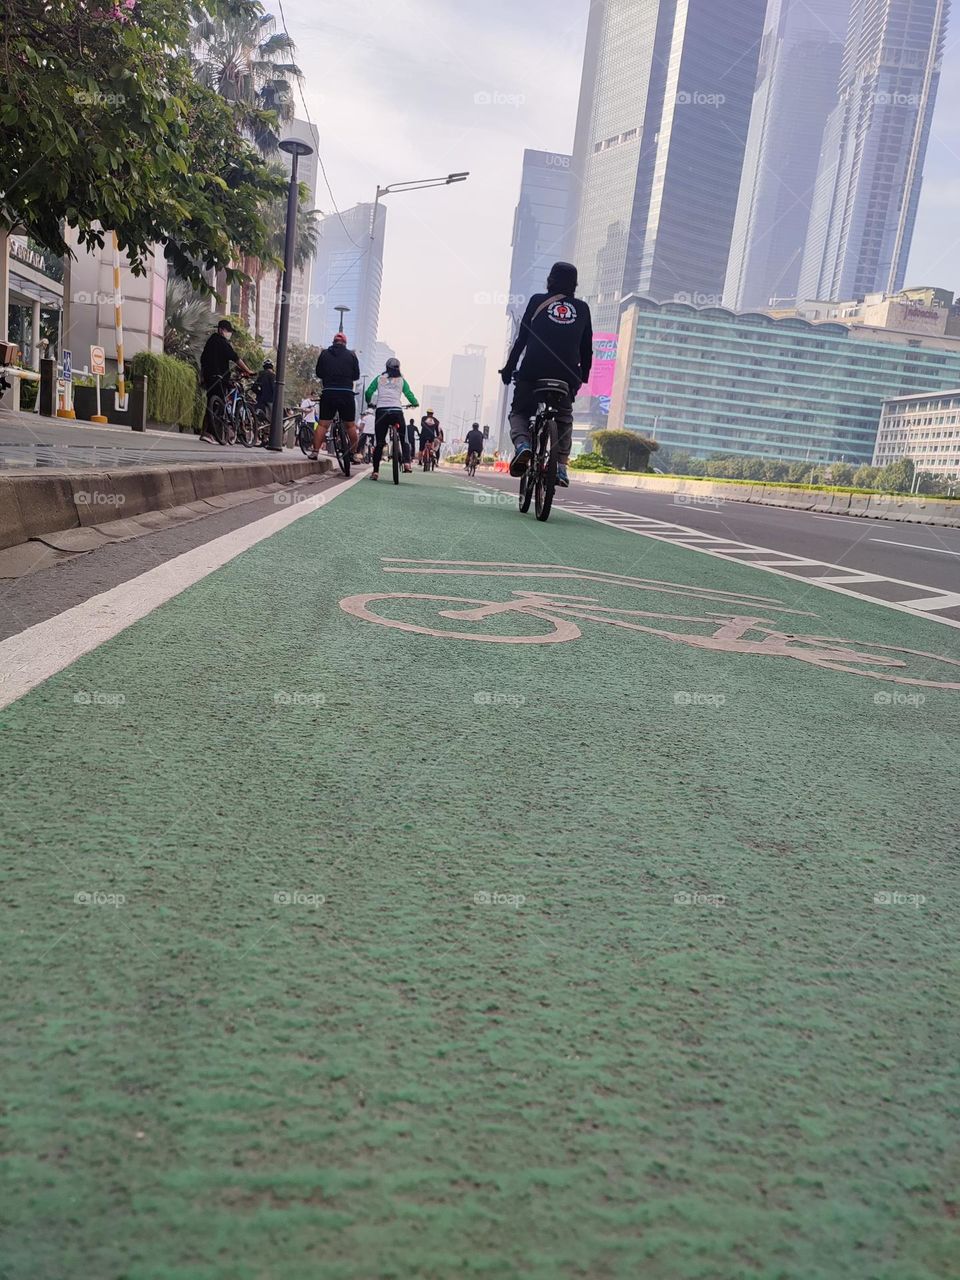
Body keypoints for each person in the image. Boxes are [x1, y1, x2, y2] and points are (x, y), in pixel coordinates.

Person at [499, 261, 592, 488]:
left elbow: (521, 340)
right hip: (566, 376)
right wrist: (582, 378)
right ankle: (560, 467)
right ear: (575, 284)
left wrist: (509, 369)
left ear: (550, 280)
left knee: (519, 413)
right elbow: (586, 348)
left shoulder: (537, 301)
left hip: (533, 372)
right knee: (564, 420)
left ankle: (523, 446)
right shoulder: (582, 308)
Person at [199, 319, 253, 444]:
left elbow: (203, 360)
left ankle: (205, 432)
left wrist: (201, 377)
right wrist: (248, 371)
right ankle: (211, 433)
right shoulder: (222, 342)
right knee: (218, 406)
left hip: (209, 377)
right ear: (221, 330)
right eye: (228, 331)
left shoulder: (210, 342)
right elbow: (236, 358)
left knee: (211, 402)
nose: (229, 334)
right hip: (218, 378)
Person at [364, 357, 419, 479]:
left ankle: (375, 472)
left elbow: (368, 392)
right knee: (404, 438)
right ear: (399, 368)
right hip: (396, 412)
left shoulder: (379, 379)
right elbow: (409, 394)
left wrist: (369, 402)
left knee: (379, 443)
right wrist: (415, 403)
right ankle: (406, 463)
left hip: (381, 412)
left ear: (386, 368)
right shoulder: (401, 380)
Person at [311, 332, 361, 462]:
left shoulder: (324, 354)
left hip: (328, 392)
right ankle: (354, 454)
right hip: (346, 393)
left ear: (333, 342)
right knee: (350, 426)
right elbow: (356, 376)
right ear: (345, 343)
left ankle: (315, 452)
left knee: (322, 424)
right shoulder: (352, 355)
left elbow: (319, 373)